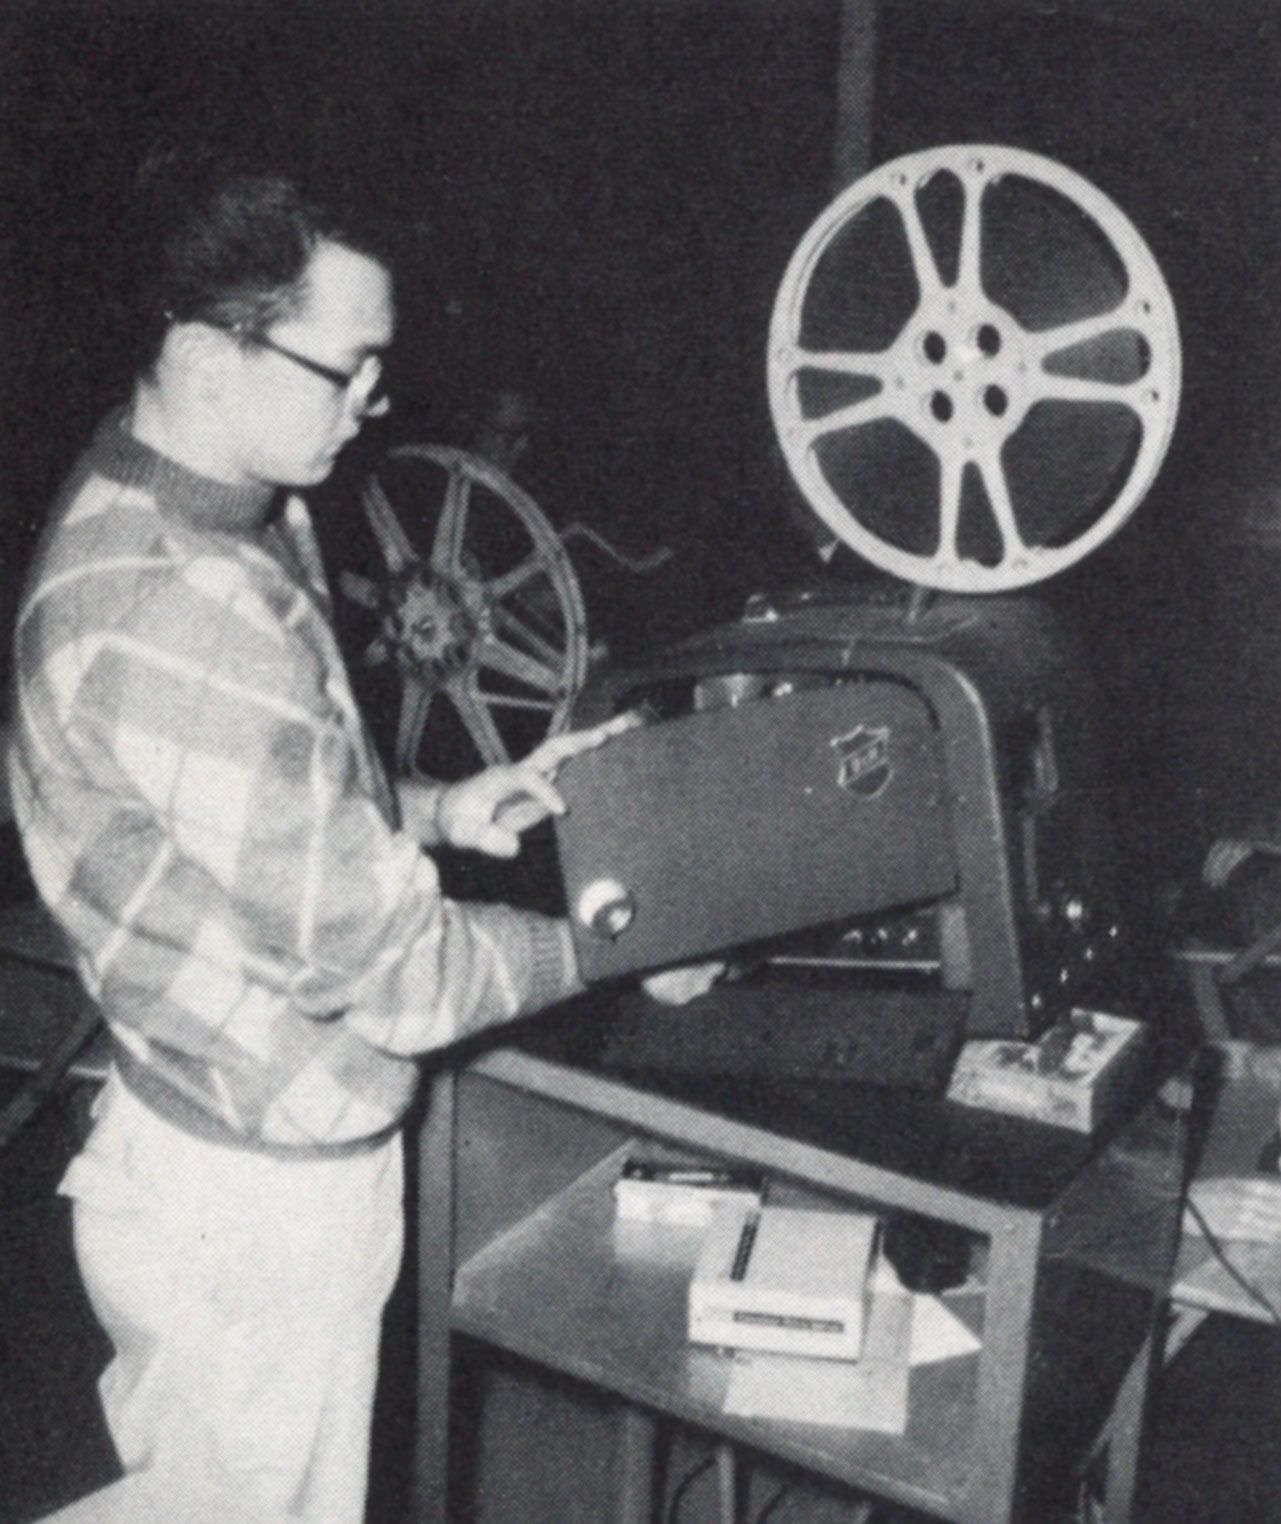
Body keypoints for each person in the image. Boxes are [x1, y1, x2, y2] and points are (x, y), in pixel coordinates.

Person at [8, 159, 716, 1521]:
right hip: (251, 1207)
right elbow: (398, 978)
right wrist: (621, 940)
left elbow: (265, 785)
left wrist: (441, 807)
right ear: (211, 356)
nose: (374, 406)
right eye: (347, 371)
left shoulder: (197, 490)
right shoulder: (178, 606)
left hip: (202, 1127)